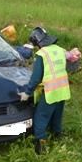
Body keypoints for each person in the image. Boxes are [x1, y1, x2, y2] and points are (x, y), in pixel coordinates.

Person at [18, 27, 70, 155]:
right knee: (57, 116)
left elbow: (35, 78)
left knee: (41, 117)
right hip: (63, 89)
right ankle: (58, 138)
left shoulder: (42, 54)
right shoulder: (59, 49)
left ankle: (41, 146)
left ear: (37, 43)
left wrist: (27, 93)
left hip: (51, 91)